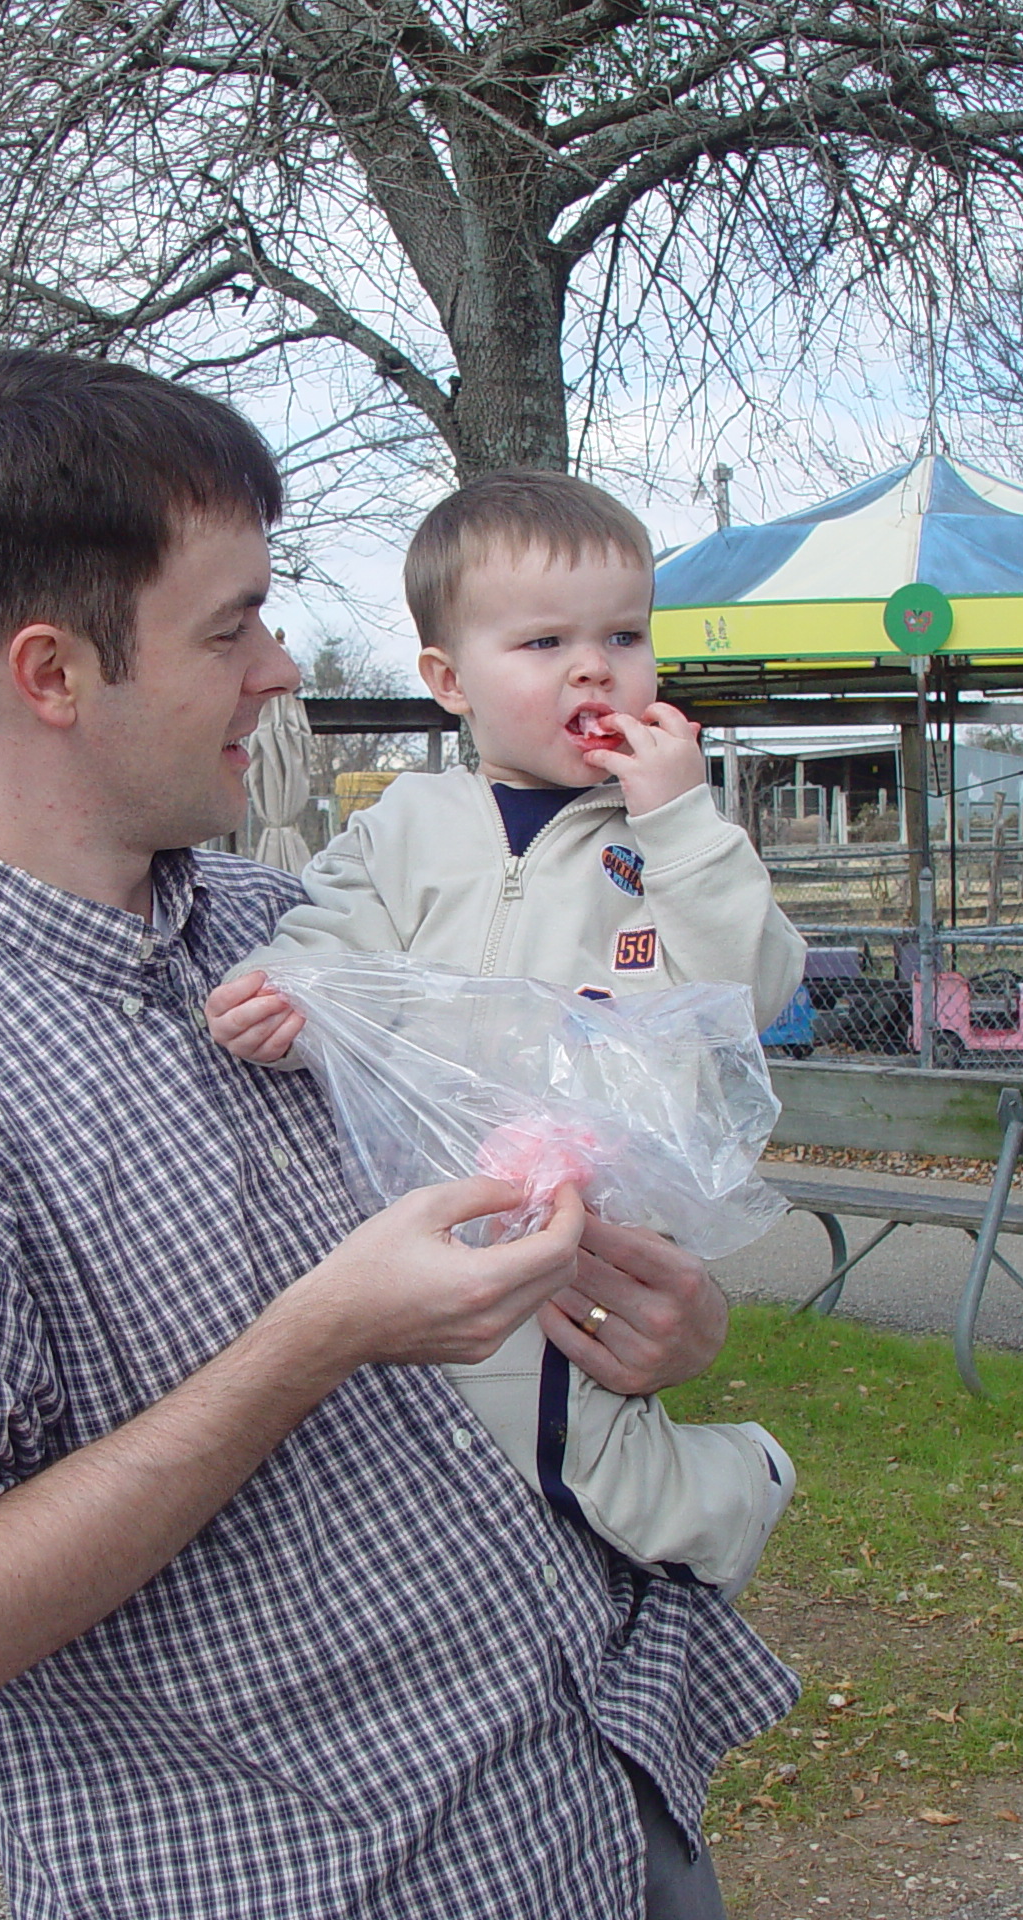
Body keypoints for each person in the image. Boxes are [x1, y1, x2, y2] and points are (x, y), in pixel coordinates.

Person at [0, 352, 798, 1920]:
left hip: (593, 1805)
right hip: (308, 1881)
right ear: (51, 675)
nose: (284, 667)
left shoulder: (303, 936)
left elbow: (570, 1145)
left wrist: (649, 1317)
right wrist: (313, 1341)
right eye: (230, 627)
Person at [209, 469, 807, 1602]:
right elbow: (332, 937)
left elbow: (752, 986)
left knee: (576, 1441)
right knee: (454, 1441)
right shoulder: (409, 823)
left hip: (598, 1217)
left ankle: (734, 1485)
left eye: (624, 635)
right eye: (542, 643)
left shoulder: (671, 836)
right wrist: (283, 994)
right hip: (434, 1194)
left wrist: (681, 823)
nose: (595, 667)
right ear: (449, 682)